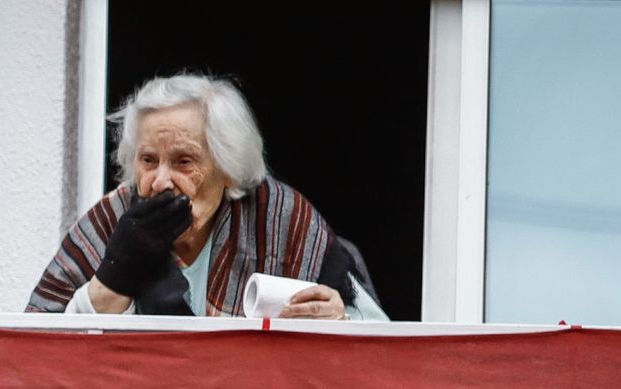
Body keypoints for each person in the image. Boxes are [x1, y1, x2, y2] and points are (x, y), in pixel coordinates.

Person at [27, 73, 388, 321]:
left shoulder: (279, 219)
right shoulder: (108, 223)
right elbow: (39, 352)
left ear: (228, 168)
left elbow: (382, 348)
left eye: (183, 161)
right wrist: (114, 275)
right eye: (148, 161)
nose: (160, 182)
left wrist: (341, 320)